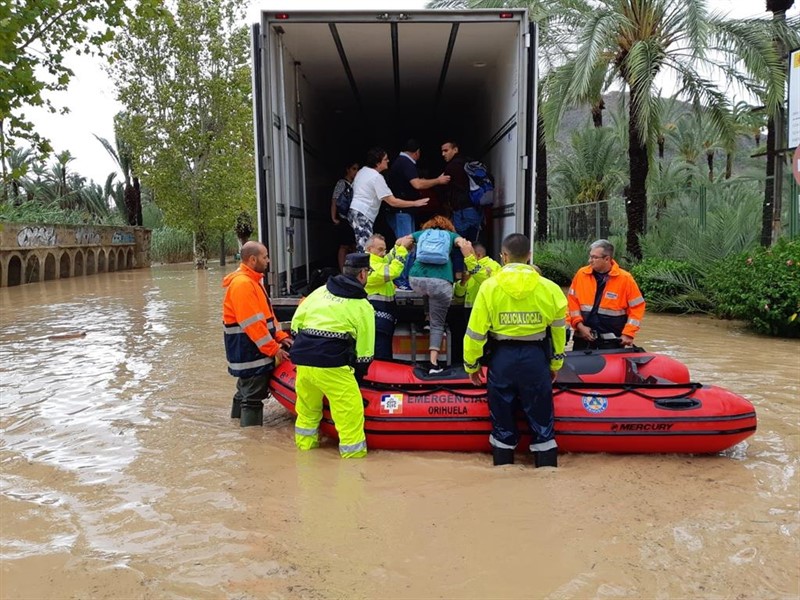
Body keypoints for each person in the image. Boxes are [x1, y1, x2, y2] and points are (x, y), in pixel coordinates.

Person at [463, 233, 567, 468]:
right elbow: (560, 333)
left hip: (502, 359)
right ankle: (547, 474)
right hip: (536, 358)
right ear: (529, 256)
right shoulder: (550, 288)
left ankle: (503, 476)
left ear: (504, 256)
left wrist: (472, 366)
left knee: (501, 421)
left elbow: (475, 333)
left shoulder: (489, 287)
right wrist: (555, 364)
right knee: (542, 422)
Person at [290, 252, 375, 458]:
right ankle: (353, 467)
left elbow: (295, 325)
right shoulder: (362, 306)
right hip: (332, 364)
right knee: (350, 417)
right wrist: (357, 378)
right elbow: (365, 353)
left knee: (307, 412)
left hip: (303, 361)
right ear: (363, 274)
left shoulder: (319, 292)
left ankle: (304, 454)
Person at [222, 241, 292, 427]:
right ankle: (251, 441)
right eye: (265, 257)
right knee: (252, 398)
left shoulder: (252, 281)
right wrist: (274, 349)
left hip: (251, 350)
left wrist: (281, 337)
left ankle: (236, 425)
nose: (268, 260)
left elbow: (268, 318)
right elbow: (254, 326)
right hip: (250, 351)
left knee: (244, 391)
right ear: (253, 259)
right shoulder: (243, 285)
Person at [401, 216, 467, 374]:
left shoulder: (421, 234)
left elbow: (400, 241)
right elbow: (462, 244)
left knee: (427, 290)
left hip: (416, 279)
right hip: (441, 282)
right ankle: (433, 364)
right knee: (438, 325)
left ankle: (426, 317)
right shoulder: (450, 236)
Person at [386, 139, 450, 289]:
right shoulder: (406, 162)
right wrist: (439, 181)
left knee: (405, 244)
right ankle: (401, 280)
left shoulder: (400, 162)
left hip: (402, 211)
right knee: (406, 246)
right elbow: (417, 184)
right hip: (402, 212)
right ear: (417, 152)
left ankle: (403, 278)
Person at [347, 146, 430, 252]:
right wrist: (415, 203)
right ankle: (364, 268)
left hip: (354, 210)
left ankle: (364, 267)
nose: (388, 161)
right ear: (378, 163)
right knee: (365, 247)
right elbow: (393, 202)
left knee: (362, 243)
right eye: (385, 159)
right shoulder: (376, 177)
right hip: (363, 213)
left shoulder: (362, 171)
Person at [567, 239, 645, 350]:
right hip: (583, 338)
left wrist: (628, 333)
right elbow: (572, 303)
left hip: (612, 341)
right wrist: (579, 325)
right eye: (590, 256)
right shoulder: (581, 274)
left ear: (607, 259)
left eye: (594, 257)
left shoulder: (625, 279)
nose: (590, 260)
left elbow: (637, 307)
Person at [365, 233, 412, 360]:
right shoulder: (368, 267)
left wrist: (397, 246)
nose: (383, 253)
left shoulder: (377, 261)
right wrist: (402, 250)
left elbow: (388, 258)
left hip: (384, 320)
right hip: (377, 322)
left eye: (384, 249)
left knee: (384, 352)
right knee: (380, 356)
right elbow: (393, 271)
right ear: (369, 249)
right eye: (380, 250)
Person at [441, 139, 482, 277]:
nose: (443, 154)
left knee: (459, 246)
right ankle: (474, 276)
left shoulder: (451, 167)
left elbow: (445, 190)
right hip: (475, 211)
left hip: (461, 212)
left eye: (446, 150)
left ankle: (459, 278)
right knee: (474, 245)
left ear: (455, 150)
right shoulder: (469, 163)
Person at [331, 160, 359, 272]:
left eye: (357, 169)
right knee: (344, 246)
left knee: (354, 245)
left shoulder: (356, 184)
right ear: (348, 169)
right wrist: (334, 217)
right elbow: (334, 200)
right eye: (354, 169)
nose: (356, 172)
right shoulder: (341, 183)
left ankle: (352, 270)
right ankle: (343, 270)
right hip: (344, 218)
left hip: (354, 219)